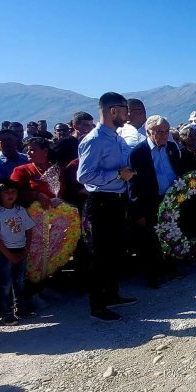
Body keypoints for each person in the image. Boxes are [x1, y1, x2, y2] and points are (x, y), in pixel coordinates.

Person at [76, 92, 138, 322]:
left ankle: (111, 294)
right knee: (101, 255)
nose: (127, 114)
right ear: (113, 111)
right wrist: (118, 175)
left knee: (114, 252)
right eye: (124, 109)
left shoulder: (116, 136)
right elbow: (84, 175)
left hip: (116, 200)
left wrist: (127, 173)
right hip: (101, 201)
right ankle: (97, 305)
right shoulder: (95, 139)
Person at [129, 115, 182, 288]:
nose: (164, 135)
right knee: (150, 240)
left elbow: (178, 170)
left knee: (172, 234)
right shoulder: (138, 152)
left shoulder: (172, 147)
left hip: (172, 200)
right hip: (150, 202)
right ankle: (152, 276)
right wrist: (138, 212)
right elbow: (133, 185)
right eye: (160, 131)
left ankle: (171, 268)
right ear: (148, 131)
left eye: (167, 131)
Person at [0, 180, 35, 325]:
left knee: (20, 281)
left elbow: (29, 230)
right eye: (6, 192)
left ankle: (20, 307)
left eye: (13, 192)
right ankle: (6, 311)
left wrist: (27, 249)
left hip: (20, 249)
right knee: (5, 283)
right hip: (3, 252)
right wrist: (8, 255)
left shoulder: (20, 210)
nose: (10, 195)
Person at [11, 137, 63, 209]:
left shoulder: (58, 169)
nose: (28, 153)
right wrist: (36, 195)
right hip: (32, 214)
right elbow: (11, 193)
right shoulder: (21, 170)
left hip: (61, 213)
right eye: (27, 150)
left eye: (32, 150)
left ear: (45, 151)